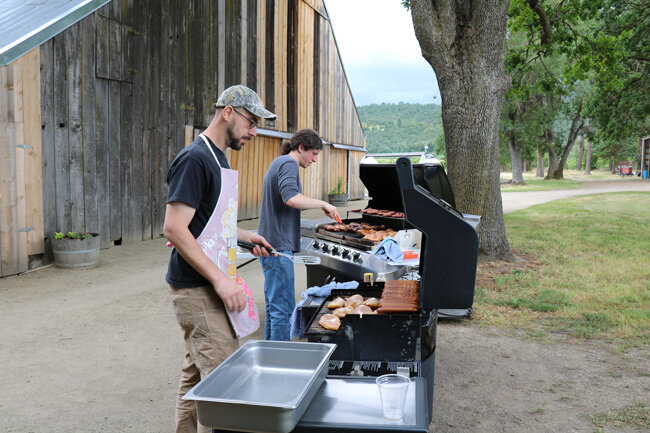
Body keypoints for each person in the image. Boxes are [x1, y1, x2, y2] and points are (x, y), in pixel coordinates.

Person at [163, 84, 276, 433]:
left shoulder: (218, 157)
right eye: (251, 121)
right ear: (228, 112)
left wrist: (243, 236)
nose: (254, 131)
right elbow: (175, 228)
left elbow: (205, 222)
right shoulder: (195, 158)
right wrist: (221, 280)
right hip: (198, 290)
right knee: (227, 385)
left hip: (206, 286)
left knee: (195, 380)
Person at [258, 129, 341, 341]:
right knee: (283, 309)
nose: (314, 160)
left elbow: (290, 198)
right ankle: (281, 364)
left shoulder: (279, 162)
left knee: (274, 307)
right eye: (313, 154)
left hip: (271, 244)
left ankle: (271, 357)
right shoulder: (288, 164)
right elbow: (291, 198)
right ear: (301, 148)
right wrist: (323, 203)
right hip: (278, 247)